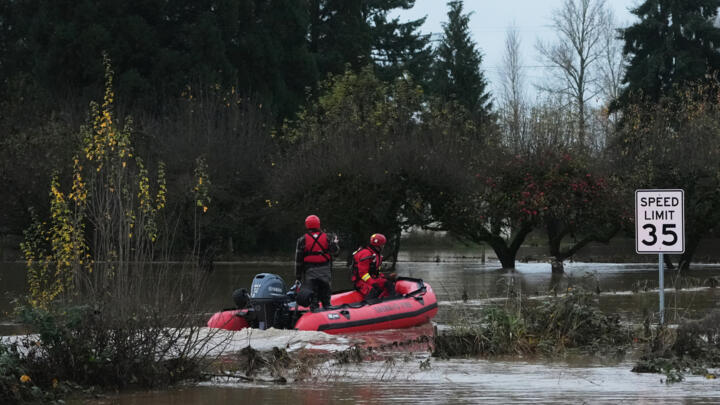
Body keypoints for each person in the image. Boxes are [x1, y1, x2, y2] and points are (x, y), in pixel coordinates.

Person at [295, 215, 340, 310]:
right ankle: (327, 309)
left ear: (307, 225)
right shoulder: (328, 237)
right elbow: (335, 253)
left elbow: (298, 261)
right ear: (318, 224)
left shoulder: (302, 240)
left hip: (310, 272)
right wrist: (335, 243)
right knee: (326, 298)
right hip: (325, 272)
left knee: (313, 298)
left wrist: (298, 277)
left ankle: (314, 310)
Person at [351, 233, 397, 301]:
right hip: (360, 281)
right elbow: (363, 274)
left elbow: (376, 272)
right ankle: (366, 307)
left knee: (389, 284)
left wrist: (386, 277)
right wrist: (373, 283)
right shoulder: (366, 254)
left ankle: (391, 303)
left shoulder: (377, 255)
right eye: (382, 244)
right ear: (378, 245)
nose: (383, 246)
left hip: (371, 279)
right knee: (373, 291)